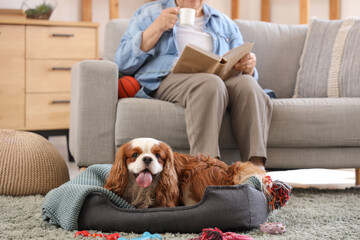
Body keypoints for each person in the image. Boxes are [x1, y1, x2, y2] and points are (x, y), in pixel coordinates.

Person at [114, 0, 273, 169]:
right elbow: (123, 62)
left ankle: (256, 169)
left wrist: (249, 67)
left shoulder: (223, 21)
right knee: (210, 83)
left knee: (247, 84)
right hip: (168, 78)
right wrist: (156, 28)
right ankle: (206, 170)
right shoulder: (150, 12)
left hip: (219, 80)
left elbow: (240, 60)